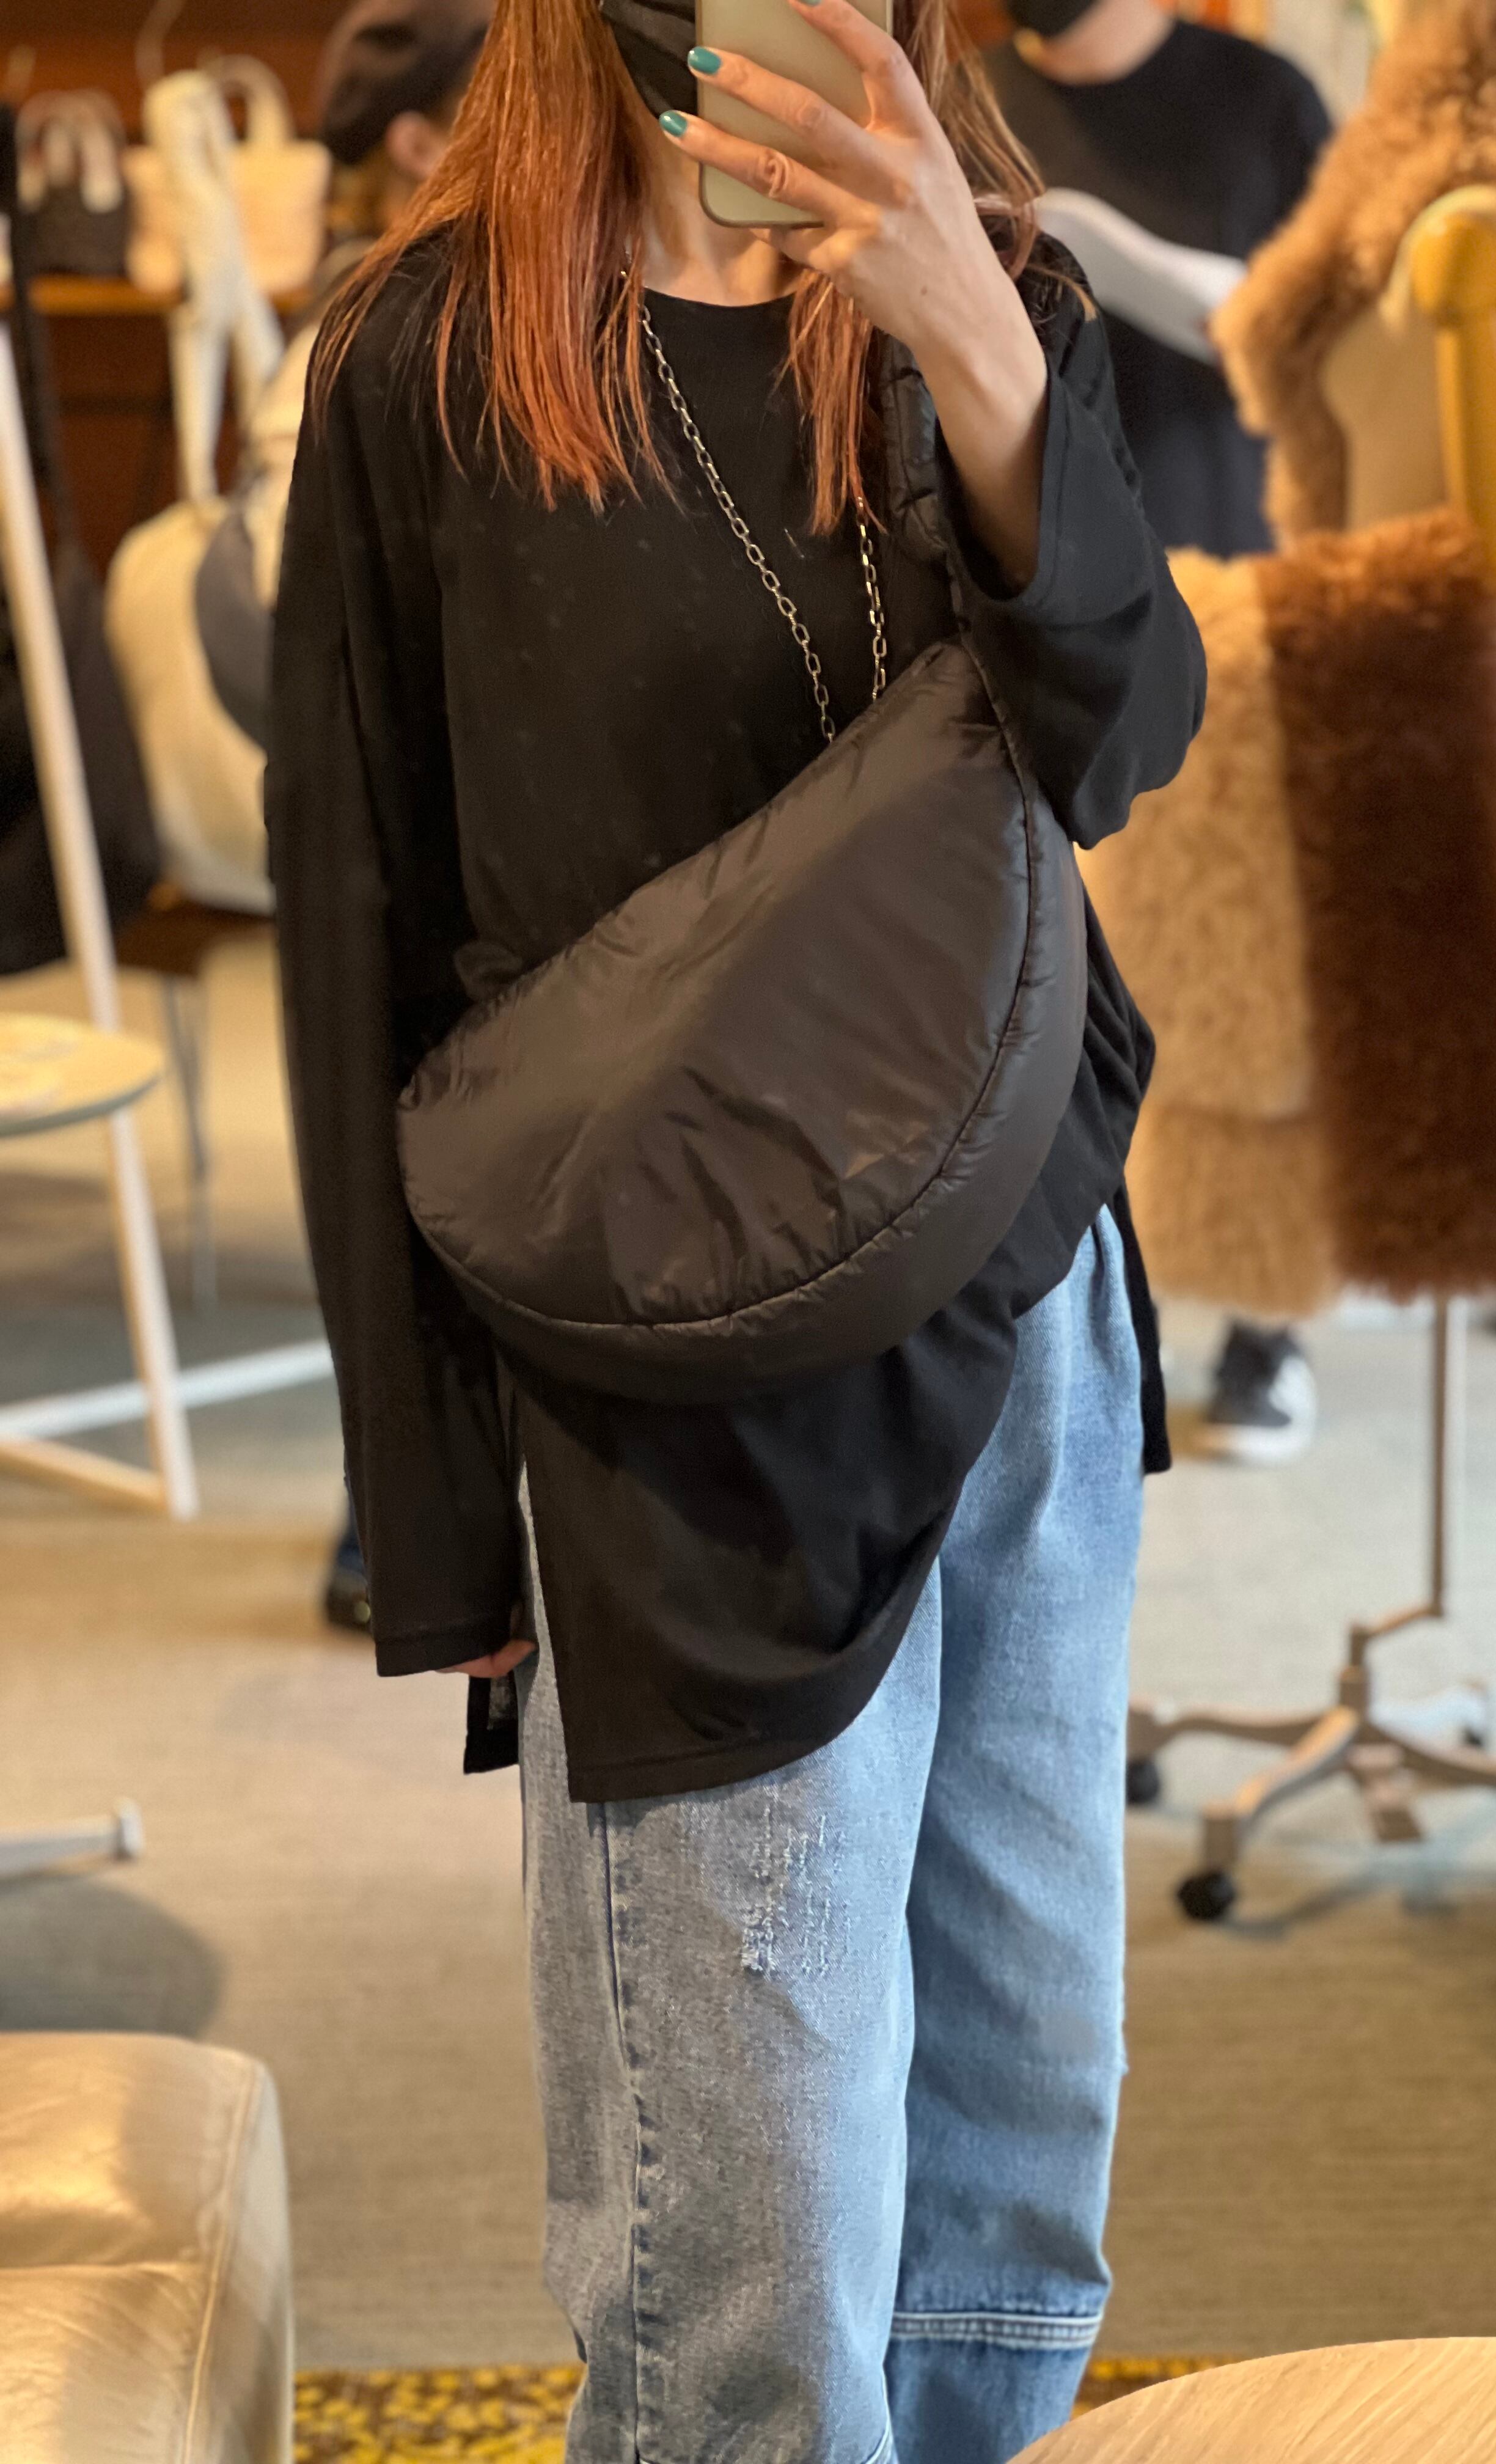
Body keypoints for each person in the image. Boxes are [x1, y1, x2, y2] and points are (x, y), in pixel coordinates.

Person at [265, 0, 1204, 2451]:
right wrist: (435, 1522)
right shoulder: (427, 362)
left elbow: (1126, 740)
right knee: (752, 2256)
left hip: (1024, 1313)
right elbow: (359, 929)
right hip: (676, 1392)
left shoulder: (988, 291)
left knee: (1015, 2180)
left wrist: (975, 345)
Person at [986, 0, 1332, 1465]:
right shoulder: (965, 97)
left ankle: (1266, 1323)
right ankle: (1066, 1323)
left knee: (1240, 988)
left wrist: (1093, 244)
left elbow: (1317, 334)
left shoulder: (1263, 106)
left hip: (1229, 592)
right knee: (1047, 982)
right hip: (1034, 604)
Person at [186, 0, 493, 1631]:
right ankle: (398, 1507)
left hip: (468, 785)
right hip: (383, 803)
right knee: (400, 1136)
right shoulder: (374, 332)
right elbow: (280, 623)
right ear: (423, 142)